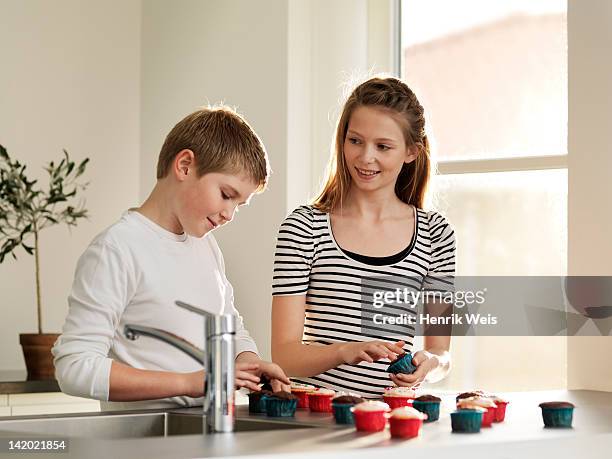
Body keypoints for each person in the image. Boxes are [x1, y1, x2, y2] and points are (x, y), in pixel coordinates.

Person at [53, 106, 290, 410]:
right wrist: (191, 383)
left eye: (240, 205)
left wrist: (249, 362)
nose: (230, 214)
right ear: (185, 166)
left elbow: (230, 327)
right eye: (226, 195)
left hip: (201, 433)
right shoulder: (117, 249)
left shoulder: (207, 248)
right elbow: (74, 367)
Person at [271, 77, 454, 398]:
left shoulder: (435, 235)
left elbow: (441, 353)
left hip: (391, 424)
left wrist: (431, 362)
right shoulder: (304, 228)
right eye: (355, 141)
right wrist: (344, 351)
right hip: (314, 421)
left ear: (411, 151)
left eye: (382, 146)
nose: (365, 157)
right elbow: (285, 356)